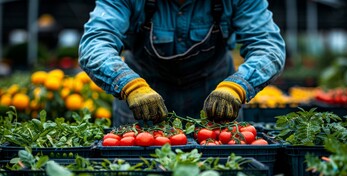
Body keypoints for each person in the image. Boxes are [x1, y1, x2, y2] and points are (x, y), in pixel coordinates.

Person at [78, 0, 285, 126]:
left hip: (217, 96)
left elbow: (268, 47)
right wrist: (129, 84)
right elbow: (95, 43)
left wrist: (239, 85)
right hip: (141, 96)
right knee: (139, 175)